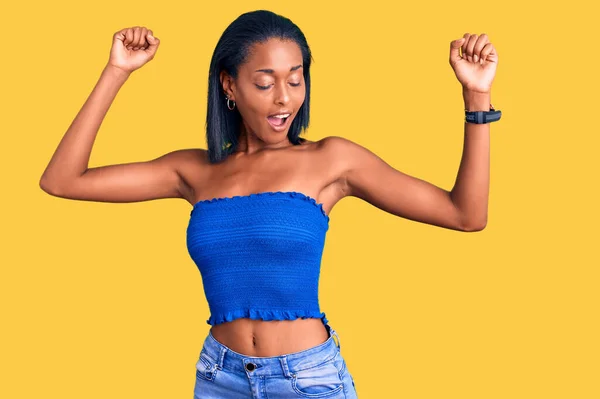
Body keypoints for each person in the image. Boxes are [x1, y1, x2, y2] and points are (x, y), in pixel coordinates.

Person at [39, 9, 499, 399]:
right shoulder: (194, 171)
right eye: (265, 83)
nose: (285, 99)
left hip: (307, 379)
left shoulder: (331, 160)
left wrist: (476, 96)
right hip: (220, 378)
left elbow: (466, 215)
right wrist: (117, 70)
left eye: (295, 81)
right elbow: (62, 180)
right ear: (230, 86)